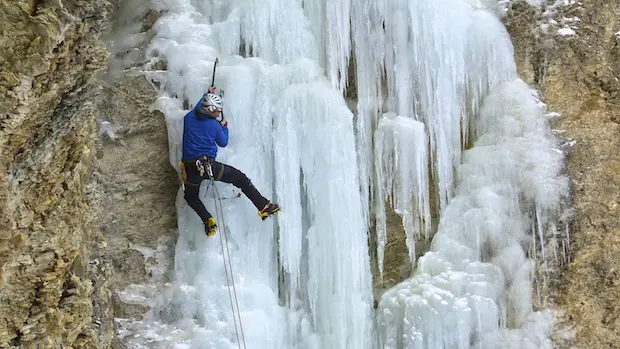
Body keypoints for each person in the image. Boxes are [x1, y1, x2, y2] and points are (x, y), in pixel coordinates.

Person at [180, 90, 280, 236]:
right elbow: (223, 142)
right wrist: (224, 127)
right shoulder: (214, 125)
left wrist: (208, 93)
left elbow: (198, 107)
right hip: (209, 167)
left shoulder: (189, 118)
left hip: (190, 169)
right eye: (217, 111)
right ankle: (263, 206)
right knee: (241, 179)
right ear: (211, 110)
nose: (218, 114)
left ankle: (208, 220)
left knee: (190, 196)